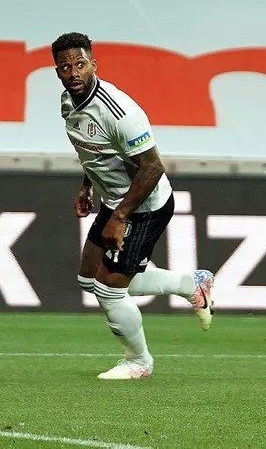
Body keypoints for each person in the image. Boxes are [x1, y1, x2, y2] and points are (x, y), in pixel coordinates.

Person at [52, 32, 214, 380]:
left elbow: (153, 168)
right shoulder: (68, 102)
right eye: (65, 67)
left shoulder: (119, 112)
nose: (74, 72)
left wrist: (120, 217)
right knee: (88, 278)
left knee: (109, 289)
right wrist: (87, 185)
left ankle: (139, 362)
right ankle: (191, 284)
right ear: (58, 72)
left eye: (80, 64)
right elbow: (93, 151)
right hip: (115, 200)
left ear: (94, 65)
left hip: (146, 205)